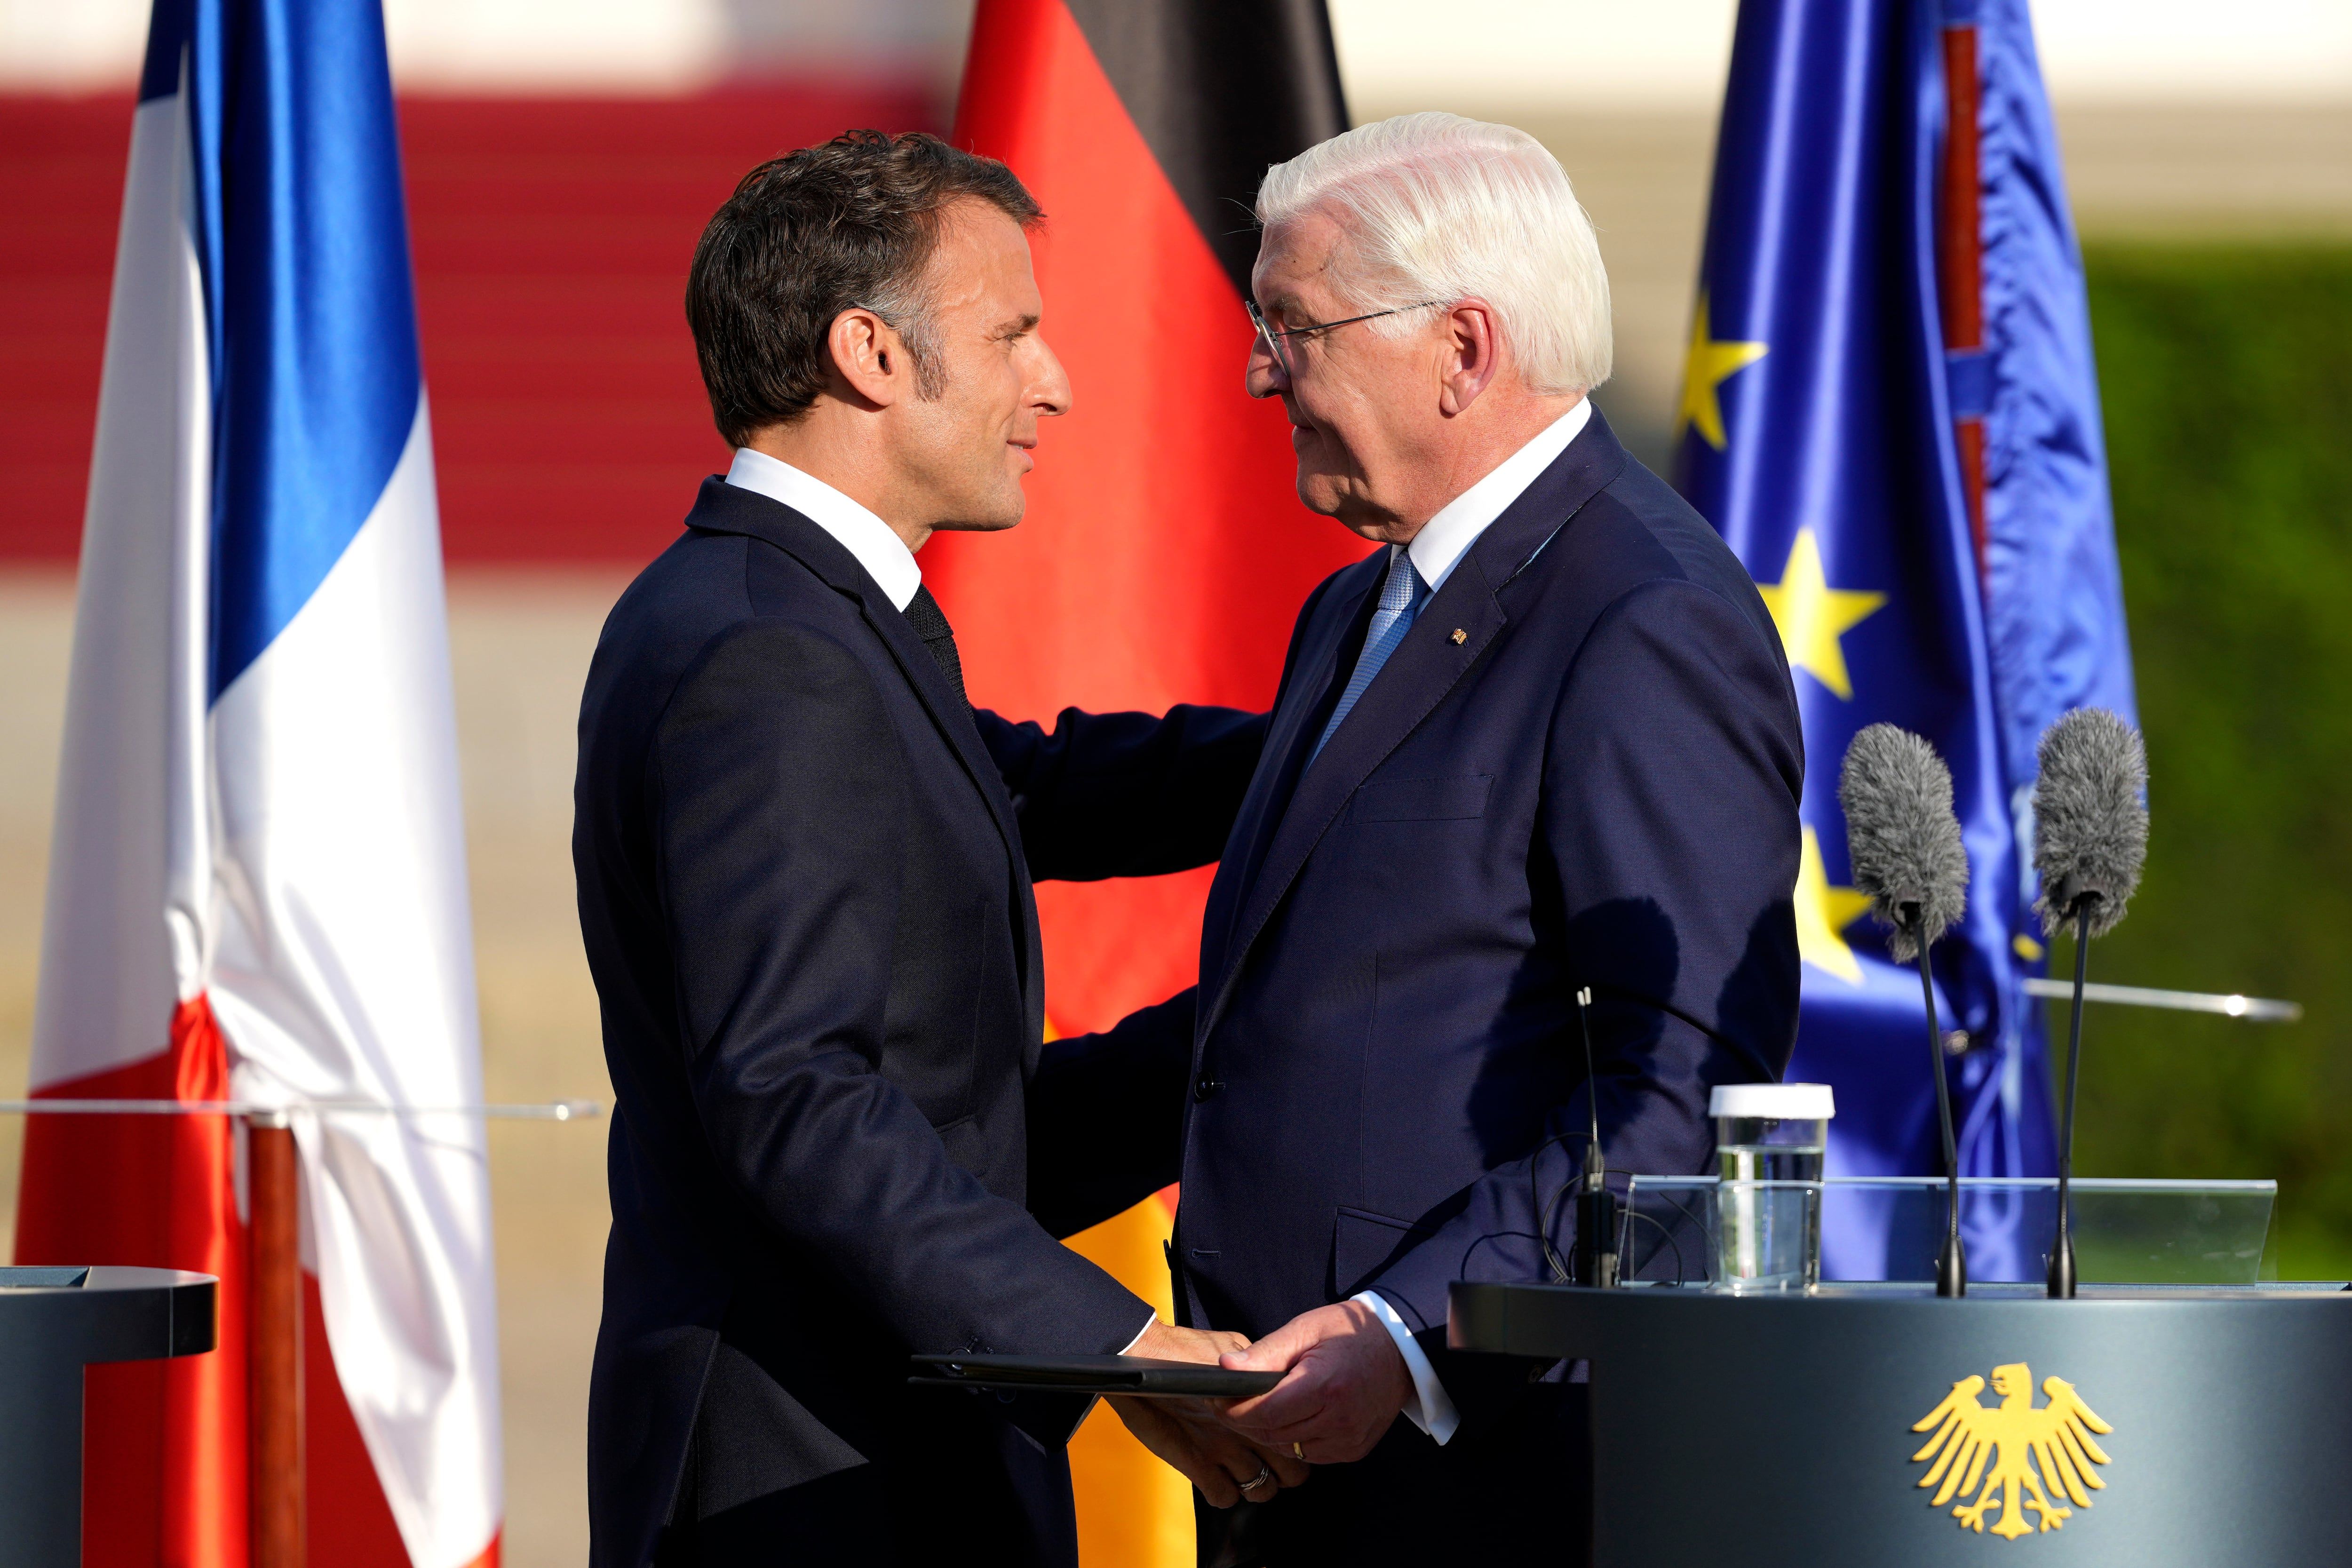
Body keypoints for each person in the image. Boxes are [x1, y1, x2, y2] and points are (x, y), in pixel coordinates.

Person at [573, 130, 1302, 1568]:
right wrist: (1120, 1345)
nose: (1057, 380)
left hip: (864, 1449)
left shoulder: (786, 610)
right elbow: (793, 1094)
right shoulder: (767, 654)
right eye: (1015, 332)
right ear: (873, 354)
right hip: (816, 1481)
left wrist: (1343, 754)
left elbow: (1021, 791)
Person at [1144, 113, 1806, 1563]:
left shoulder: (1645, 620)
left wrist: (1412, 1330)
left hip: (1486, 1465)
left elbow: (1682, 1093)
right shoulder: (1355, 604)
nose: (1261, 373)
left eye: (1292, 327)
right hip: (1292, 1456)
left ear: (1461, 347)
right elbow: (1311, 1013)